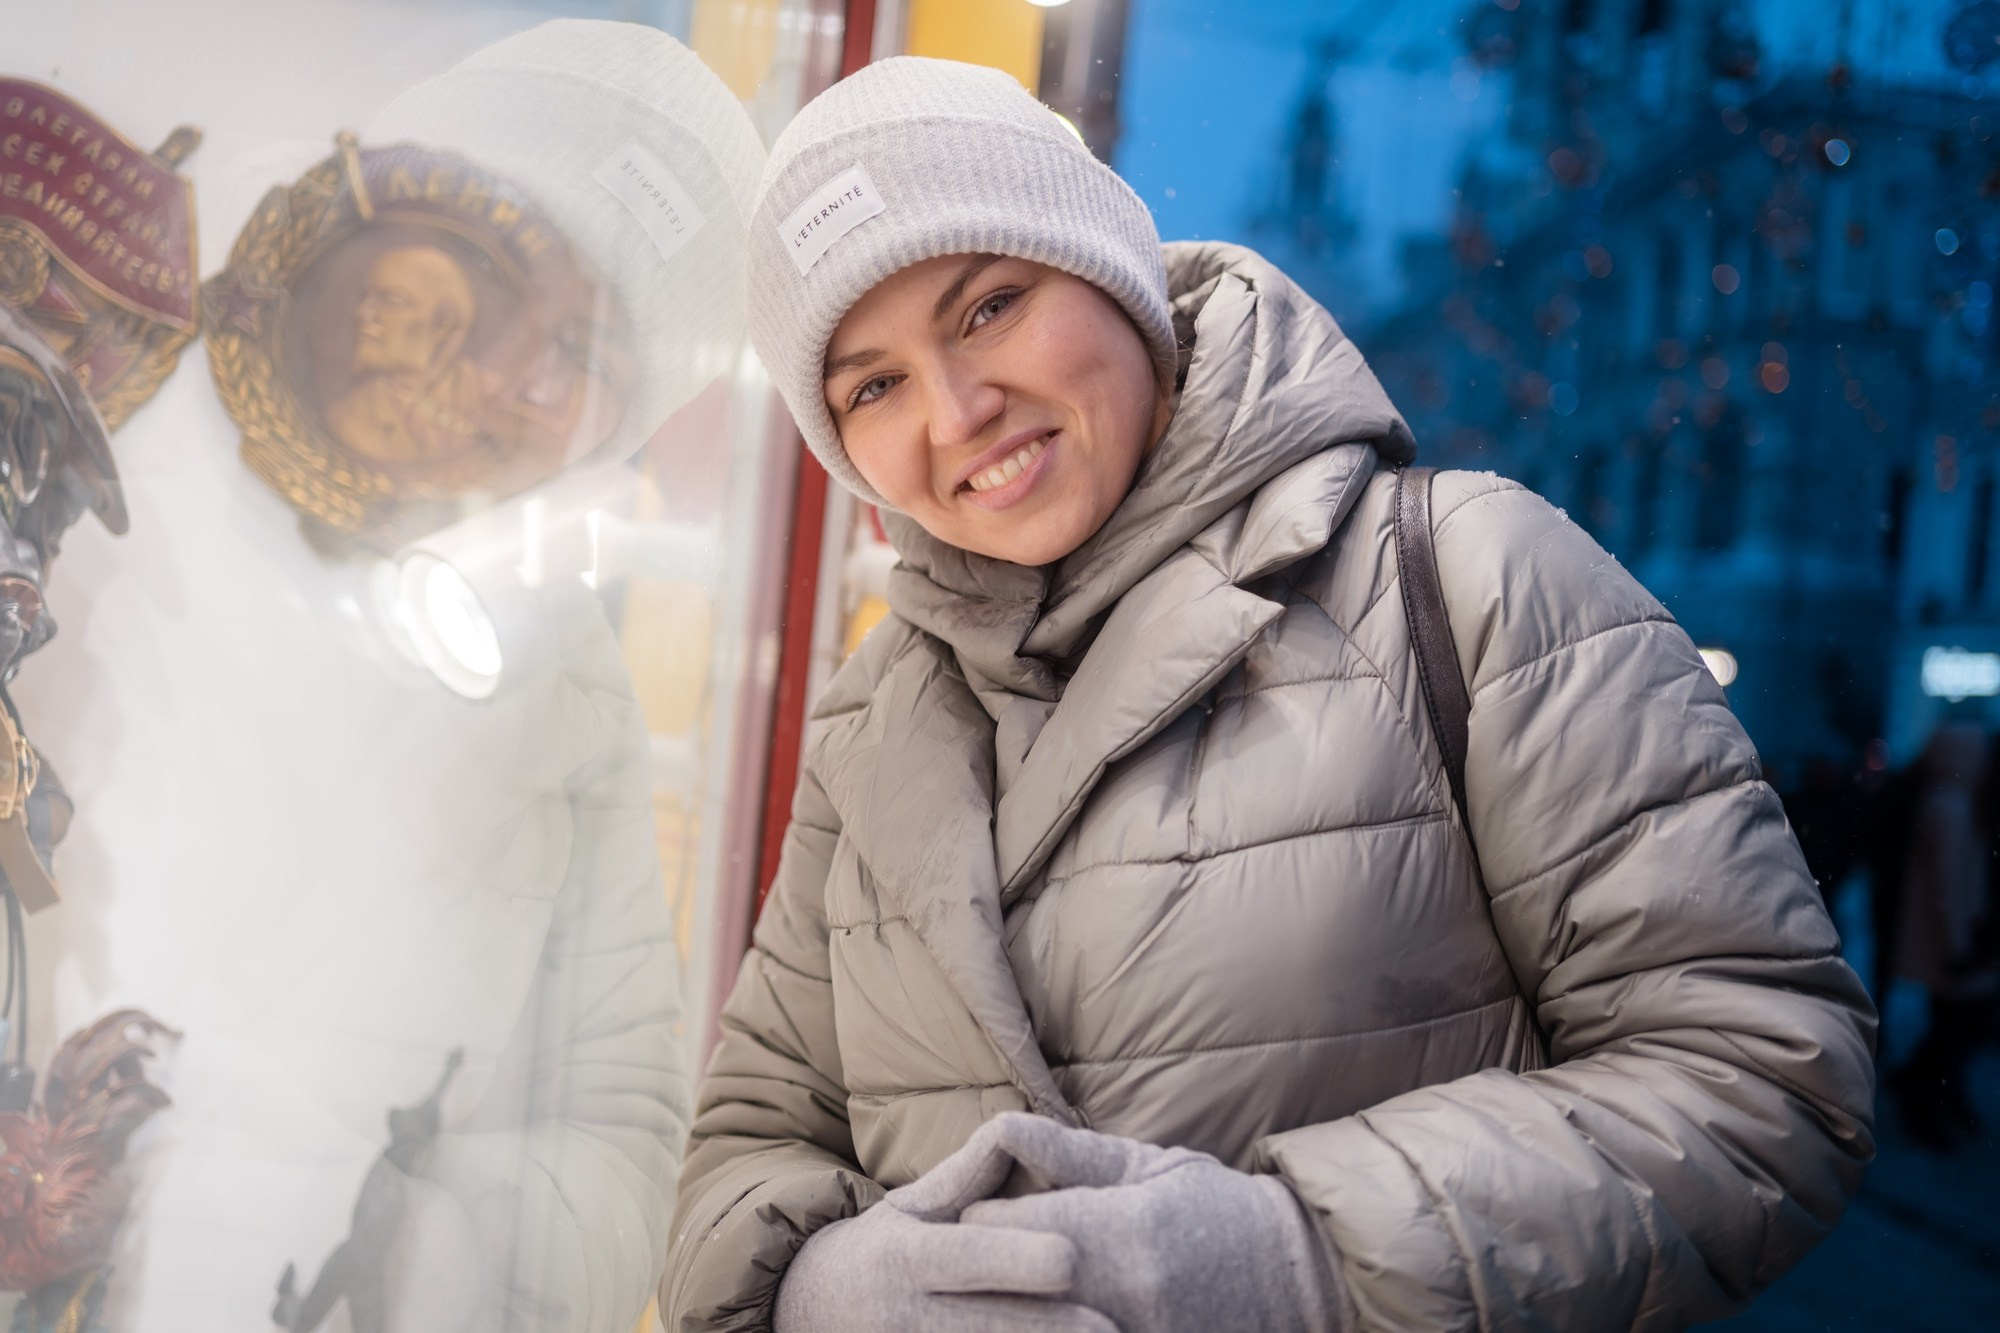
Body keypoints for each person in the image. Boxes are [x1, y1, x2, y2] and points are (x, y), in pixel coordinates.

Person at [662, 58, 1878, 1332]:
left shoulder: (1468, 577)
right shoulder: (876, 719)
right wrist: (810, 1283)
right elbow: (746, 1142)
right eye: (871, 385)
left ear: (1116, 276)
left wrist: (1298, 1260)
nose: (955, 411)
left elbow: (1765, 1082)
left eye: (990, 306)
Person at [1887, 720, 1999, 1152]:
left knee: (1951, 1028)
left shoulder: (1949, 801)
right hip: (1953, 940)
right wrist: (1959, 944)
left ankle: (1927, 1096)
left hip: (1954, 937)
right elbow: (1951, 884)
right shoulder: (1951, 806)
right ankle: (1922, 1100)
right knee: (1951, 1030)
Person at [325, 244, 499, 467]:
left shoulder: (500, 399)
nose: (362, 313)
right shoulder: (347, 420)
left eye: (391, 301)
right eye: (366, 297)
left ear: (444, 324)